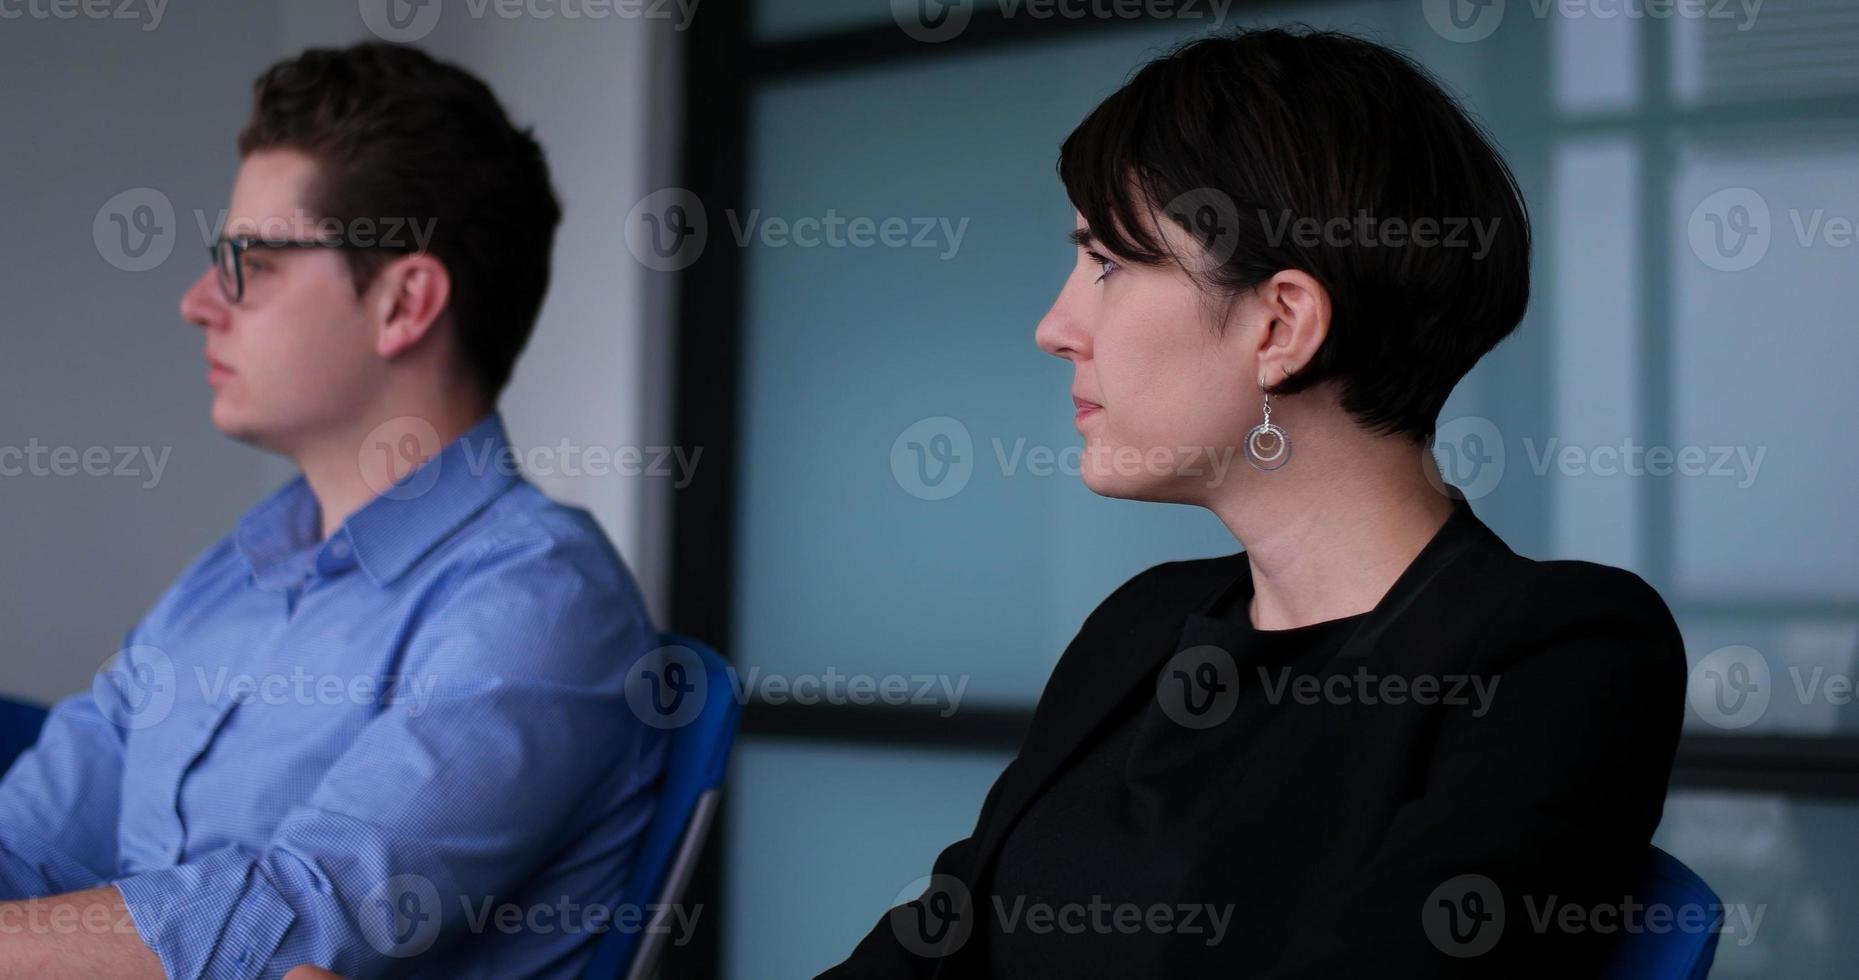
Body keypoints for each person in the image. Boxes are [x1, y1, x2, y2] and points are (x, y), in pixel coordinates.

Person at [822, 27, 1685, 979]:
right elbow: (931, 946)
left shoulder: (1557, 656)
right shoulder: (1143, 626)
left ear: (1279, 328)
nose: (1053, 328)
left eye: (1107, 261)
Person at [0, 43, 667, 977]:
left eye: (252, 264)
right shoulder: (232, 575)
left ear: (403, 303)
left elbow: (306, 917)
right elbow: (30, 843)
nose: (198, 302)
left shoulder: (543, 604)